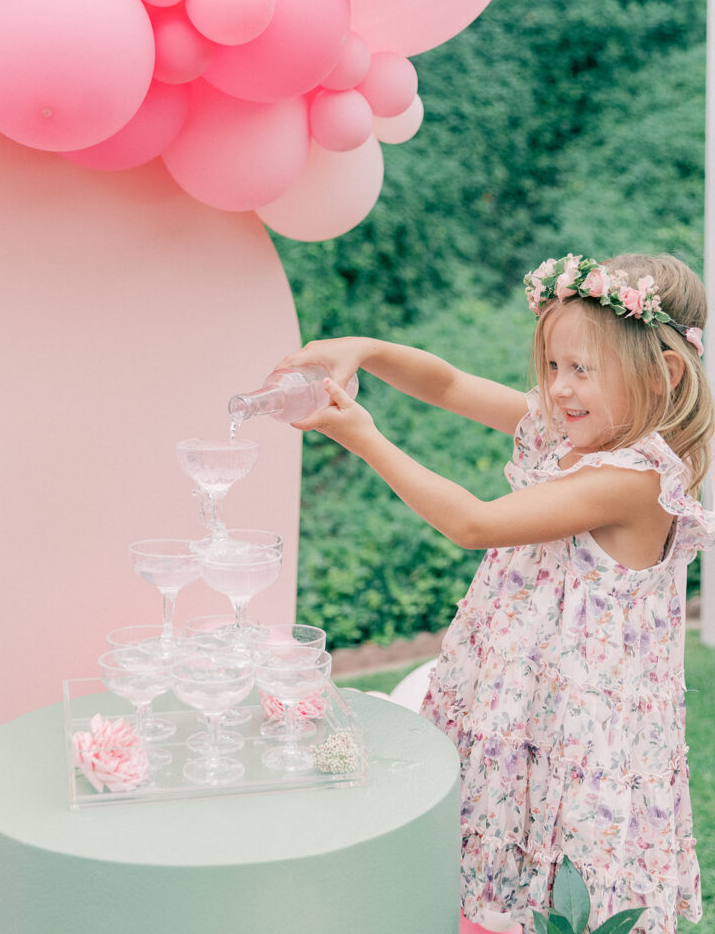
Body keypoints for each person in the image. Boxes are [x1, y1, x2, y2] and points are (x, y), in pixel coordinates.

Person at [276, 253, 715, 934]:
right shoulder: (571, 432)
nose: (559, 389)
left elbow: (472, 524)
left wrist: (362, 436)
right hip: (514, 697)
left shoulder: (633, 479)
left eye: (582, 370)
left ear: (664, 374)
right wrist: (360, 348)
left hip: (574, 728)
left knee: (547, 873)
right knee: (481, 840)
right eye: (552, 366)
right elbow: (449, 384)